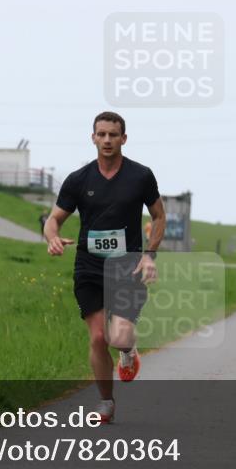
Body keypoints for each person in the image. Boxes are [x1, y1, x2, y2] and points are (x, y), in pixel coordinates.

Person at [43, 111, 165, 423]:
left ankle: (128, 350)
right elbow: (54, 219)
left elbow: (159, 216)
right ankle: (106, 403)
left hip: (128, 266)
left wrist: (150, 255)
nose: (107, 140)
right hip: (89, 267)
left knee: (119, 336)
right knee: (98, 337)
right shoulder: (79, 180)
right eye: (102, 134)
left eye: (113, 134)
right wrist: (53, 238)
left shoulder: (141, 176)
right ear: (93, 137)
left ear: (124, 138)